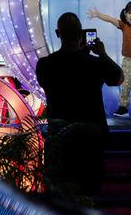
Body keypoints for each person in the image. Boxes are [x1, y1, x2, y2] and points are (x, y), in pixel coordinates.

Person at [36, 12, 123, 204]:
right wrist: (102, 54)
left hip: (59, 137)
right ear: (81, 34)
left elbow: (51, 81)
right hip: (91, 137)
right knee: (88, 191)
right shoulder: (95, 63)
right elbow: (118, 78)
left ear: (58, 33)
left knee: (60, 195)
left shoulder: (45, 65)